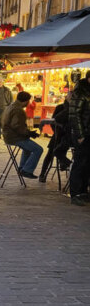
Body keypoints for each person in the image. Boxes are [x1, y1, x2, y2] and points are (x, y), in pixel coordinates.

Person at [1, 91, 42, 179]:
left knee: (27, 149)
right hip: (14, 137)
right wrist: (29, 133)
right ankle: (27, 170)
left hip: (9, 135)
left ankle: (22, 168)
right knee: (38, 149)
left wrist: (28, 133)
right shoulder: (18, 110)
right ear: (26, 101)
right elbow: (17, 126)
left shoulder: (11, 106)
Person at [68, 71, 90, 206]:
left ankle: (83, 191)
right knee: (80, 163)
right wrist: (80, 135)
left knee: (87, 164)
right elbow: (74, 115)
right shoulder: (80, 93)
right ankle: (75, 193)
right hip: (84, 134)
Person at [39, 100, 71, 183]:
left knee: (61, 150)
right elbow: (54, 121)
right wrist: (57, 132)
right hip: (58, 134)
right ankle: (42, 174)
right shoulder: (61, 107)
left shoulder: (74, 108)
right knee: (50, 153)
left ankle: (64, 164)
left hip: (67, 136)